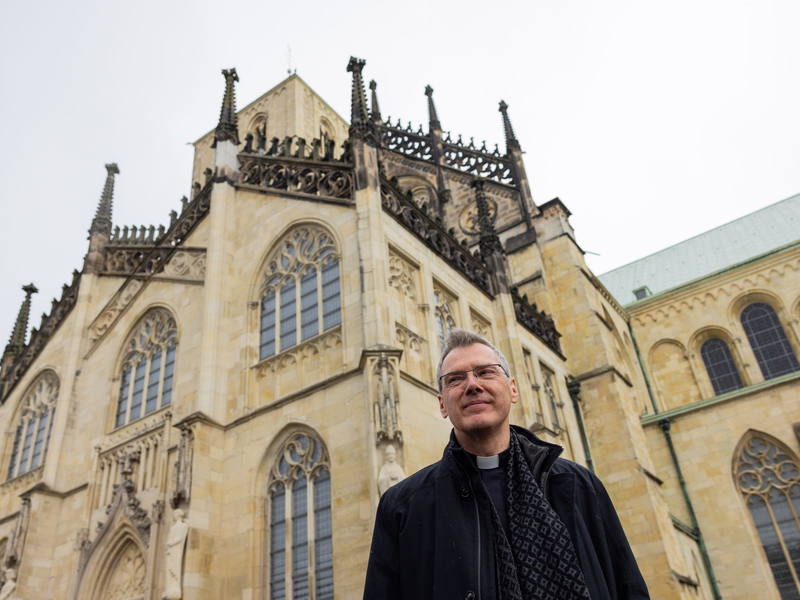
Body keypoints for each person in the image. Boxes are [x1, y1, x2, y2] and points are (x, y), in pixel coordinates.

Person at [364, 328, 649, 600]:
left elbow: (628, 588)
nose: (473, 385)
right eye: (455, 379)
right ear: (442, 404)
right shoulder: (402, 505)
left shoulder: (577, 486)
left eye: (485, 372)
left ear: (512, 389)